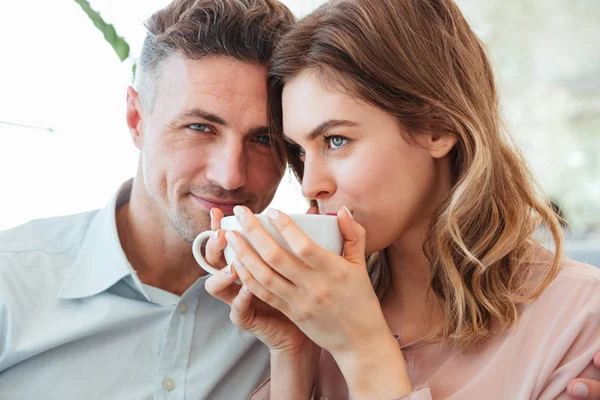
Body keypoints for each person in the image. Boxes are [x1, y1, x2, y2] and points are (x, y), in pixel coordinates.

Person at [205, 0, 600, 398]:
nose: (310, 185)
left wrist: (364, 351)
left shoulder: (578, 318)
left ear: (437, 127)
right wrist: (293, 351)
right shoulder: (315, 314)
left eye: (337, 140)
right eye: (301, 151)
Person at [0, 0, 294, 398]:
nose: (230, 175)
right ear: (136, 120)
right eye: (200, 127)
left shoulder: (300, 306)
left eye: (263, 139)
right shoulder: (10, 284)